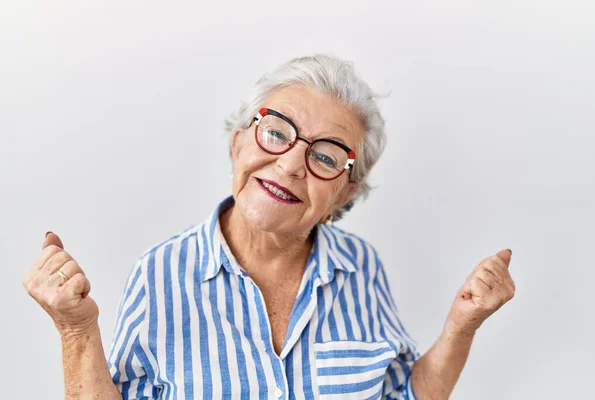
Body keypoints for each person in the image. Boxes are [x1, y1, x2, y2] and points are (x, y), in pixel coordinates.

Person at [23, 54, 516, 399]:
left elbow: (405, 396)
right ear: (239, 143)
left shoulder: (362, 268)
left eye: (325, 155)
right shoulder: (160, 274)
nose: (290, 164)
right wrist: (76, 328)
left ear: (344, 193)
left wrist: (461, 325)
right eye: (276, 131)